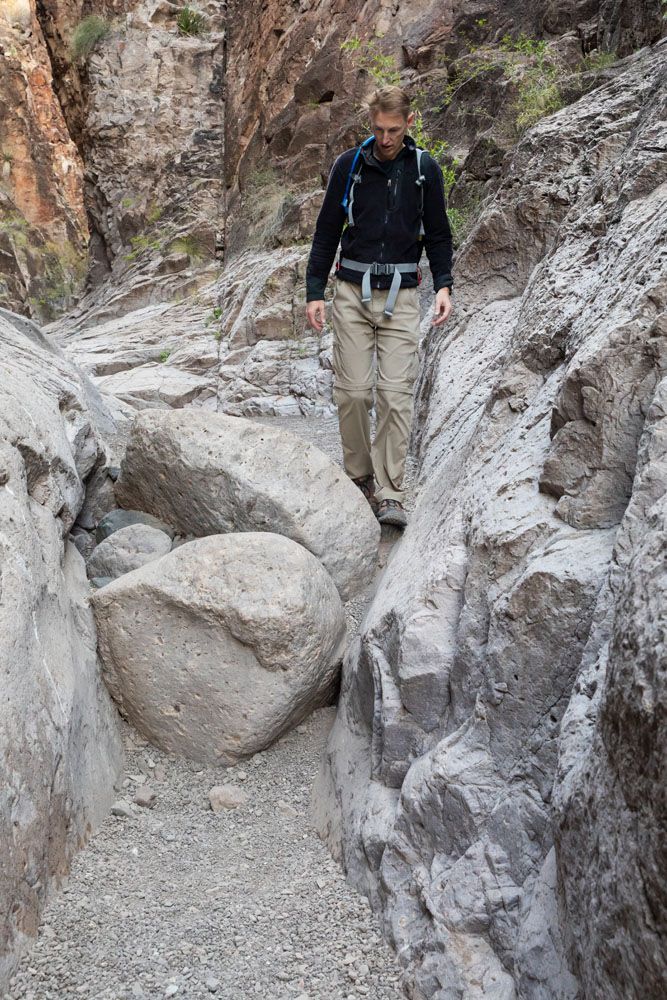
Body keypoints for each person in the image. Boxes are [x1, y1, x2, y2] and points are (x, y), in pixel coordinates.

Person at [305, 85, 453, 528]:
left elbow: (440, 234)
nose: (385, 139)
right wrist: (315, 290)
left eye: (393, 130)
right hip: (351, 291)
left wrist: (443, 285)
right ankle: (359, 478)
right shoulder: (348, 166)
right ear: (369, 125)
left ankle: (390, 493)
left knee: (394, 396)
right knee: (351, 393)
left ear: (409, 123)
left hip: (403, 296)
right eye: (377, 130)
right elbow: (327, 228)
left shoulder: (425, 169)